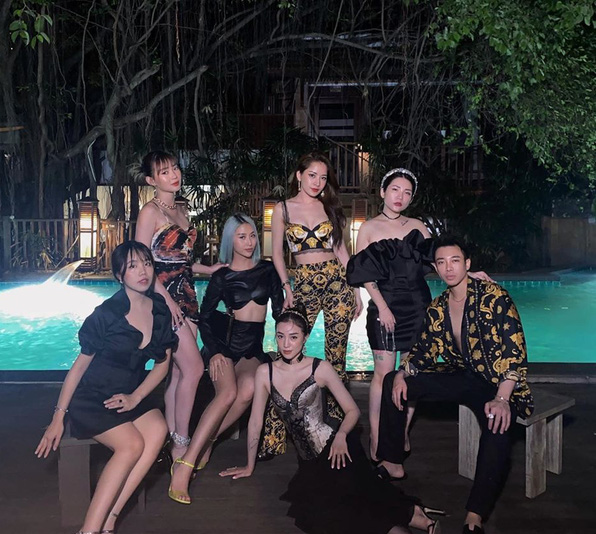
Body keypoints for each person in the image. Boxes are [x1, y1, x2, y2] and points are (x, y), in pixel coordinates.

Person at [220, 305, 470, 534]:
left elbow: (352, 411)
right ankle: (417, 516)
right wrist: (249, 465)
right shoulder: (264, 373)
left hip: (338, 450)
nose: (286, 344)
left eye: (293, 337)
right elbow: (255, 422)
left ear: (305, 338)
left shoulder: (319, 368)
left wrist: (340, 436)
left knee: (354, 510)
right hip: (309, 465)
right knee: (327, 514)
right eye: (280, 336)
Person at [376, 235, 534, 534]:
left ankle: (474, 518)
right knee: (394, 379)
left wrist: (503, 398)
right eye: (442, 262)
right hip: (463, 376)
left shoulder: (494, 297)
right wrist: (404, 371)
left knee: (497, 422)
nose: (449, 268)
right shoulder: (438, 306)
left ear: (468, 264)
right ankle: (391, 461)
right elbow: (423, 350)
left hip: (498, 384)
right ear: (435, 268)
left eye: (455, 261)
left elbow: (515, 352)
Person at [35, 241, 177, 534]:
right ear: (119, 275)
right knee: (131, 445)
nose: (142, 271)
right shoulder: (107, 314)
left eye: (146, 263)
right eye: (133, 266)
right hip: (92, 398)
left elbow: (163, 364)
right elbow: (78, 368)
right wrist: (58, 417)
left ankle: (109, 523)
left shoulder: (159, 310)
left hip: (127, 395)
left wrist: (136, 397)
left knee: (158, 430)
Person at [347, 168, 491, 467]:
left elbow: (439, 261)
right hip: (384, 305)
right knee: (383, 374)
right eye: (395, 190)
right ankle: (377, 435)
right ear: (383, 192)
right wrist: (382, 307)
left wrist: (468, 273)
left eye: (407, 192)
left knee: (411, 373)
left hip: (417, 305)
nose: (400, 197)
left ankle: (400, 431)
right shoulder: (369, 228)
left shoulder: (418, 226)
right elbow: (364, 273)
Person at [167, 213, 284, 504]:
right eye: (242, 237)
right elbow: (205, 318)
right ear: (230, 240)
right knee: (228, 392)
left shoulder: (267, 271)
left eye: (252, 235)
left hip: (252, 348)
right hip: (224, 346)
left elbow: (279, 313)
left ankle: (207, 442)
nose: (249, 242)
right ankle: (185, 466)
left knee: (249, 389)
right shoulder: (222, 276)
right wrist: (216, 351)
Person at [261, 151, 362, 456]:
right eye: (312, 175)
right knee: (288, 352)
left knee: (337, 356)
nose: (317, 182)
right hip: (303, 281)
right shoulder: (282, 209)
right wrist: (286, 287)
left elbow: (341, 249)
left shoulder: (329, 206)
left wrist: (356, 290)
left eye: (323, 177)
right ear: (299, 175)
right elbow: (277, 254)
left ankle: (336, 428)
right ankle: (274, 436)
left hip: (337, 282)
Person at [135, 151, 225, 468]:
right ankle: (182, 446)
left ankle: (172, 437)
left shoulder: (182, 208)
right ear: (151, 180)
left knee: (177, 373)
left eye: (175, 168)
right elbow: (142, 264)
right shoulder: (149, 212)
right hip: (163, 299)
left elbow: (181, 261)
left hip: (187, 294)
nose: (173, 175)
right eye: (164, 172)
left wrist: (208, 269)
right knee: (195, 369)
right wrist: (167, 301)